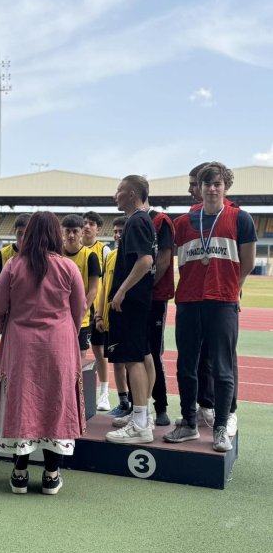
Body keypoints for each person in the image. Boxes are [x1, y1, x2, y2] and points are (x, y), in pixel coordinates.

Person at [0, 211, 87, 495]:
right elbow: (79, 309)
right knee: (56, 400)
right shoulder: (68, 267)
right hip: (58, 344)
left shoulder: (14, 265)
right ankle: (51, 475)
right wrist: (67, 330)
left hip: (20, 344)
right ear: (57, 234)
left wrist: (2, 326)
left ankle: (19, 473)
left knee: (21, 400)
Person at [164, 162, 256, 452]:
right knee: (186, 366)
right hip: (189, 301)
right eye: (207, 184)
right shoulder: (182, 223)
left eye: (217, 184)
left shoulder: (241, 219)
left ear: (225, 187)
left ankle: (220, 428)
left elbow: (248, 262)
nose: (212, 189)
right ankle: (189, 423)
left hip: (222, 302)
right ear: (200, 188)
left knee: (222, 367)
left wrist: (231, 288)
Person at [188, 162, 240, 437]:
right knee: (203, 356)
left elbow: (242, 258)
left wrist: (235, 291)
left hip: (224, 297)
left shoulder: (233, 213)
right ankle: (206, 404)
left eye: (192, 185)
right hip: (199, 297)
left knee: (224, 358)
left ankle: (229, 411)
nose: (190, 190)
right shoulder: (193, 215)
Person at [105, 176, 157, 445]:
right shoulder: (144, 220)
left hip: (131, 303)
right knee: (143, 356)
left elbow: (145, 261)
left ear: (133, 194)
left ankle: (140, 425)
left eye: (119, 191)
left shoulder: (136, 221)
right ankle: (142, 414)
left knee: (133, 359)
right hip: (140, 302)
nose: (115, 195)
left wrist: (122, 290)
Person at [95, 217, 129, 415]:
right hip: (110, 320)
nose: (117, 235)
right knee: (116, 362)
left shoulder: (133, 257)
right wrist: (99, 315)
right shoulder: (111, 256)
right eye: (115, 231)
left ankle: (136, 404)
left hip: (127, 318)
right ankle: (123, 402)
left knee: (131, 364)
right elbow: (104, 288)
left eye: (121, 231)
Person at [146, 206, 175, 426]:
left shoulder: (161, 221)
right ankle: (136, 407)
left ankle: (161, 407)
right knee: (134, 354)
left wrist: (145, 289)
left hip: (154, 297)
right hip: (136, 299)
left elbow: (164, 260)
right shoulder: (133, 222)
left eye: (119, 191)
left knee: (153, 353)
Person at [82, 211, 111, 410]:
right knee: (79, 353)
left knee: (100, 351)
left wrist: (102, 310)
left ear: (98, 229)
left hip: (97, 310)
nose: (86, 226)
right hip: (78, 310)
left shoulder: (104, 251)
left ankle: (104, 394)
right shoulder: (73, 248)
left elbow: (107, 281)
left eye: (91, 224)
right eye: (84, 223)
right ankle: (80, 391)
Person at [61, 214, 101, 363]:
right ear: (62, 232)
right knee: (59, 356)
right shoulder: (56, 254)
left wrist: (81, 310)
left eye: (75, 231)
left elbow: (93, 290)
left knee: (79, 359)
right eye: (68, 231)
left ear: (81, 232)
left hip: (82, 319)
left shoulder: (90, 257)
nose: (71, 235)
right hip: (59, 316)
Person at [0, 213, 31, 289]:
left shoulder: (37, 254)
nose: (22, 238)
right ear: (14, 231)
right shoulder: (3, 254)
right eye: (20, 233)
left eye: (27, 234)